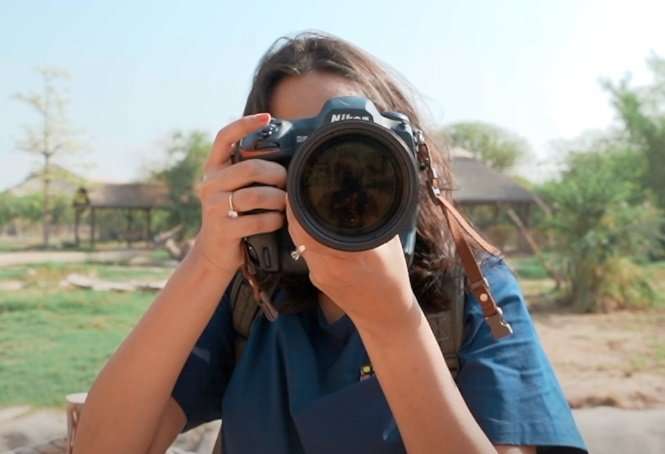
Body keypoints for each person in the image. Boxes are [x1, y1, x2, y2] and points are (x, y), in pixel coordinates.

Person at [75, 32, 588, 454]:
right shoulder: (246, 291)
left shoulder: (476, 290)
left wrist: (392, 322)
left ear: (413, 161)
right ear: (257, 165)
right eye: (305, 151)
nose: (340, 181)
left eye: (361, 149)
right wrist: (207, 260)